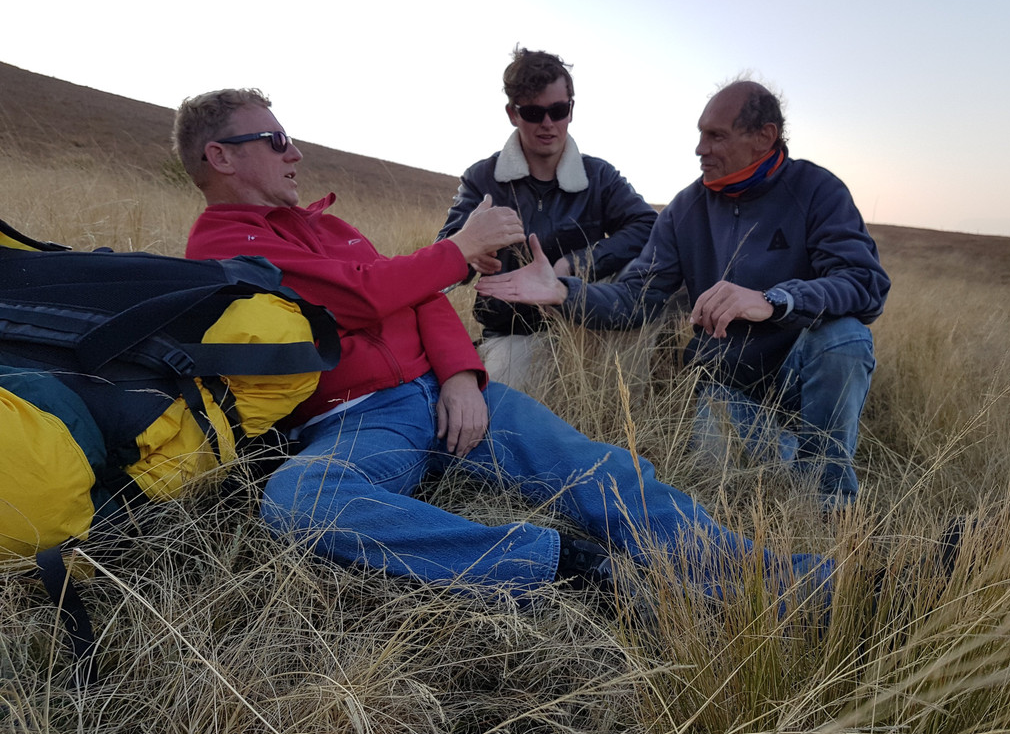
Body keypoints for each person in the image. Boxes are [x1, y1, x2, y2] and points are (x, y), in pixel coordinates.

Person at [171, 87, 834, 606]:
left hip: (445, 393)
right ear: (221, 157)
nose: (296, 153)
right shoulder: (222, 248)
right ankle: (559, 565)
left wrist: (461, 375)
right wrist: (460, 249)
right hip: (352, 425)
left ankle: (796, 584)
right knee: (299, 500)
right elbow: (366, 293)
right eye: (275, 139)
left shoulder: (331, 225)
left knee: (602, 469)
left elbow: (421, 297)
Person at [476, 80, 891, 511]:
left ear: (763, 137)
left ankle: (826, 501)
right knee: (730, 487)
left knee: (846, 337)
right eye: (700, 134)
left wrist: (774, 299)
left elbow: (865, 283)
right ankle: (786, 456)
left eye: (716, 136)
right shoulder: (685, 209)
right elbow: (635, 299)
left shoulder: (817, 190)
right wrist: (564, 291)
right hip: (728, 387)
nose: (700, 149)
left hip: (799, 374)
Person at [436, 47, 657, 392]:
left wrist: (573, 266)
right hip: (513, 334)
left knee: (621, 396)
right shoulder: (482, 179)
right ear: (512, 113)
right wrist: (467, 251)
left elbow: (646, 227)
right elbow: (444, 252)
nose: (548, 123)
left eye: (558, 110)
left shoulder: (600, 177)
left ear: (572, 108)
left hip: (588, 329)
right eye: (534, 112)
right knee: (506, 413)